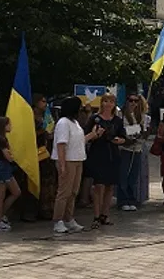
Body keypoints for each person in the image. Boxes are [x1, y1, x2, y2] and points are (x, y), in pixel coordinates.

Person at [52, 96, 97, 234]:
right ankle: (58, 220)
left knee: (73, 192)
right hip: (67, 160)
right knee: (64, 192)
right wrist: (63, 164)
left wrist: (93, 135)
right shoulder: (63, 123)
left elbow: (78, 141)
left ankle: (69, 218)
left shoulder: (75, 123)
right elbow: (61, 144)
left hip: (78, 159)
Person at [86, 94, 126, 227]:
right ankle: (96, 216)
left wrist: (120, 140)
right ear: (102, 103)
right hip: (98, 154)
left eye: (111, 102)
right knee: (99, 186)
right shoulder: (95, 119)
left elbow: (123, 137)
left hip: (113, 154)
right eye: (106, 101)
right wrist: (96, 135)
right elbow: (87, 136)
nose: (108, 104)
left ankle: (105, 214)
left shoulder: (117, 121)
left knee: (110, 186)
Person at [0, 116, 21, 232]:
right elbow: (8, 157)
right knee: (1, 194)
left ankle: (0, 214)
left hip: (3, 167)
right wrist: (12, 156)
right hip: (1, 167)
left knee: (16, 191)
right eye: (9, 124)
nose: (10, 126)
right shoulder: (1, 140)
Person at [117, 95, 147, 212]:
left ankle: (131, 198)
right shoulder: (121, 115)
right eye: (131, 100)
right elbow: (122, 130)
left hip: (137, 148)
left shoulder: (141, 116)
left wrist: (142, 132)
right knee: (123, 174)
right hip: (125, 148)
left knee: (133, 175)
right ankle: (123, 200)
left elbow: (143, 131)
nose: (133, 103)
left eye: (136, 101)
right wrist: (134, 131)